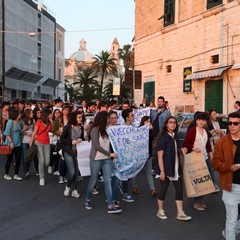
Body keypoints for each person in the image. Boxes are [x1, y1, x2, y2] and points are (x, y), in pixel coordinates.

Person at [84, 111, 122, 214]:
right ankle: (87, 198)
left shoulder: (108, 129)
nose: (109, 120)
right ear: (103, 119)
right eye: (108, 118)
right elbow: (96, 146)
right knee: (93, 180)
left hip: (107, 160)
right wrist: (109, 154)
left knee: (108, 181)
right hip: (96, 159)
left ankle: (110, 205)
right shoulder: (95, 130)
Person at [157, 116, 191, 221]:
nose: (173, 124)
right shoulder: (163, 138)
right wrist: (162, 171)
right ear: (166, 124)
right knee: (163, 190)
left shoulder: (176, 136)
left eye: (174, 122)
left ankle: (180, 212)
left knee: (179, 190)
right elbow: (159, 156)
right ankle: (160, 210)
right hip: (166, 169)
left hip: (177, 168)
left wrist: (184, 150)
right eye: (170, 122)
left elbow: (178, 150)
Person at [212, 111, 240, 240]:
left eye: (235, 123)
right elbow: (215, 163)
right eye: (230, 123)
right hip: (231, 186)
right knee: (231, 219)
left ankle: (231, 232)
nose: (232, 126)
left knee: (233, 223)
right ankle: (230, 234)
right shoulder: (222, 143)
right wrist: (229, 167)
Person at [183, 112, 213, 211]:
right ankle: (196, 201)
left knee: (205, 179)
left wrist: (210, 153)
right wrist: (193, 148)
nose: (201, 122)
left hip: (204, 158)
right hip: (195, 159)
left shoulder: (205, 131)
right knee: (197, 180)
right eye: (199, 120)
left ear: (205, 122)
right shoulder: (192, 131)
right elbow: (186, 143)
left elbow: (207, 144)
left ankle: (201, 200)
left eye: (203, 120)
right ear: (196, 121)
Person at [132, 116, 158, 197]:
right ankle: (134, 187)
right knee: (137, 172)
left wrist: (151, 130)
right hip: (140, 156)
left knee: (149, 173)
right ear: (143, 122)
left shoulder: (150, 131)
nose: (148, 123)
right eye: (146, 121)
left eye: (149, 121)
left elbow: (151, 139)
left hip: (148, 155)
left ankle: (152, 189)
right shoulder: (139, 130)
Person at [60, 111, 84, 198]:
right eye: (79, 117)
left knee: (77, 173)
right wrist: (71, 141)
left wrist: (81, 139)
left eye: (81, 117)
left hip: (78, 152)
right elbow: (62, 139)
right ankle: (68, 187)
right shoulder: (67, 127)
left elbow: (83, 138)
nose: (81, 119)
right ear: (74, 118)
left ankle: (75, 190)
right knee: (72, 172)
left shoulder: (81, 127)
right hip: (68, 151)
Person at [29, 108, 52, 186]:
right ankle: (42, 178)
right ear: (46, 115)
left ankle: (43, 169)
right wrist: (31, 142)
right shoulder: (38, 122)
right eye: (50, 114)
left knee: (47, 161)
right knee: (41, 160)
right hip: (38, 142)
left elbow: (50, 131)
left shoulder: (50, 123)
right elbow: (34, 133)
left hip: (47, 143)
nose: (51, 115)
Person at [150, 96, 171, 177]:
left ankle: (161, 168)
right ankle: (154, 168)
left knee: (163, 152)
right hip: (153, 135)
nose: (160, 103)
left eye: (161, 101)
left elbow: (169, 122)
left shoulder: (167, 112)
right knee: (154, 152)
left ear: (164, 102)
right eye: (158, 101)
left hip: (162, 134)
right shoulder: (153, 112)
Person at [3, 108, 23, 181]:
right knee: (9, 159)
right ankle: (6, 174)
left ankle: (16, 174)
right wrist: (11, 142)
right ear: (16, 115)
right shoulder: (10, 121)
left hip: (18, 143)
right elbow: (7, 132)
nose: (20, 115)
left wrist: (23, 130)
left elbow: (18, 132)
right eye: (19, 114)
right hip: (10, 143)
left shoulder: (18, 122)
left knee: (18, 159)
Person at [20, 109, 36, 178]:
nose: (33, 114)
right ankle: (26, 171)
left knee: (30, 156)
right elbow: (19, 132)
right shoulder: (22, 121)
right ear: (27, 114)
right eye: (31, 113)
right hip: (24, 141)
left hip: (31, 140)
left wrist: (33, 134)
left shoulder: (33, 121)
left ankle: (26, 169)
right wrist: (26, 132)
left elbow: (35, 130)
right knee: (25, 156)